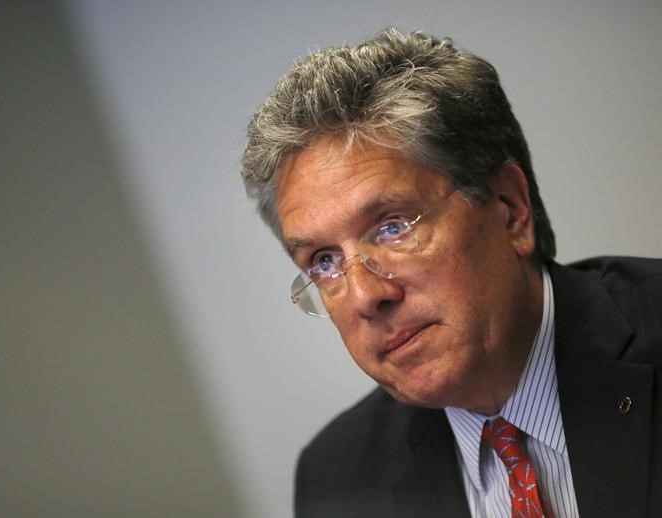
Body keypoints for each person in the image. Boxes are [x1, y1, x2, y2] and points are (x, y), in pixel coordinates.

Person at [240, 28, 662, 517]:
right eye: (324, 261)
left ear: (510, 209)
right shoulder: (338, 479)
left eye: (392, 227)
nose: (364, 296)